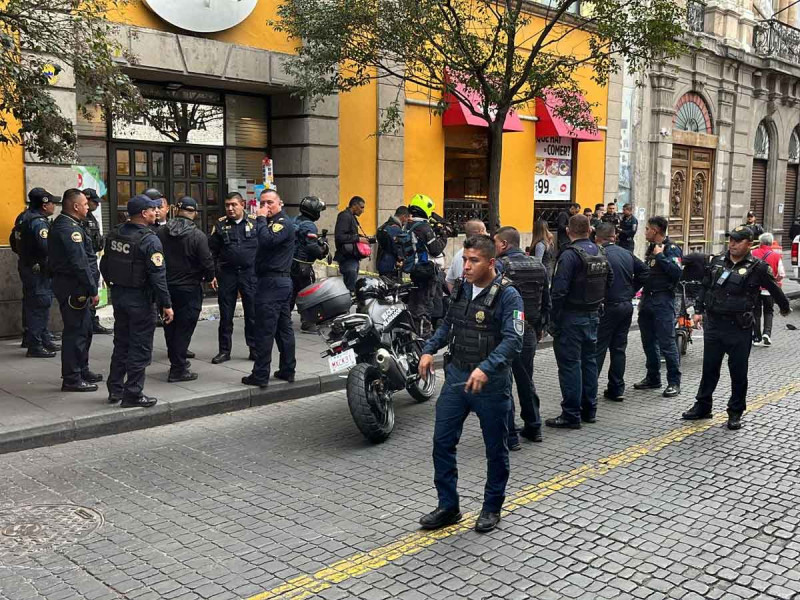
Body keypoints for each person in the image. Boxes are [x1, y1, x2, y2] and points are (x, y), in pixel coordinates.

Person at [417, 235, 524, 533]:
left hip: (491, 384)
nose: (466, 266)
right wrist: (428, 350)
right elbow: (447, 325)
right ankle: (448, 506)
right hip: (457, 377)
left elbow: (513, 341)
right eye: (464, 259)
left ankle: (492, 507)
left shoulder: (508, 295)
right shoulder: (462, 288)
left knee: (495, 448)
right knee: (442, 441)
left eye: (473, 260)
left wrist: (486, 368)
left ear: (491, 262)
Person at [682, 225, 791, 430]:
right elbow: (705, 286)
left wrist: (784, 307)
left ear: (749, 244)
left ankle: (735, 412)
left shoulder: (758, 267)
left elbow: (774, 289)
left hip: (739, 327)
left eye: (737, 240)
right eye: (730, 239)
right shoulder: (716, 262)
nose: (732, 244)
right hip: (714, 325)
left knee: (738, 372)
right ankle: (703, 406)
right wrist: (697, 310)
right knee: (709, 369)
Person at [100, 194, 173, 408]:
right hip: (140, 300)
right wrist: (166, 305)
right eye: (153, 210)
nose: (156, 212)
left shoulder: (115, 234)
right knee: (139, 347)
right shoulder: (149, 239)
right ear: (143, 213)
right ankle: (133, 394)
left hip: (120, 297)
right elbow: (158, 276)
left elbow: (105, 265)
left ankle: (115, 389)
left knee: (121, 344)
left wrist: (113, 285)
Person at [546, 214, 612, 429]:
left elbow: (558, 292)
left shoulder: (569, 255)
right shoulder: (600, 252)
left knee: (570, 365)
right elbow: (609, 280)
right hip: (593, 315)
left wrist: (553, 320)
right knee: (589, 362)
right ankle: (589, 409)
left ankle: (571, 414)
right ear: (590, 230)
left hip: (571, 318)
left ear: (568, 231)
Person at [494, 226, 550, 447]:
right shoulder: (538, 265)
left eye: (496, 242)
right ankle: (534, 426)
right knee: (526, 380)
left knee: (504, 383)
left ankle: (510, 436)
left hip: (505, 332)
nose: (494, 246)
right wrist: (541, 327)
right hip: (528, 330)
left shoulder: (500, 265)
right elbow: (546, 299)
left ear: (504, 244)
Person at [48, 189, 102, 392]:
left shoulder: (72, 225)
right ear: (76, 206)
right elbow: (80, 263)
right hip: (74, 287)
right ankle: (72, 378)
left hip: (77, 286)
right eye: (85, 204)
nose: (88, 207)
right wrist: (92, 289)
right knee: (76, 332)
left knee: (85, 329)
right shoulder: (69, 229)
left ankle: (82, 369)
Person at [242, 190, 296, 388]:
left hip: (273, 284)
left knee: (265, 330)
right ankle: (287, 370)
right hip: (275, 283)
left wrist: (261, 219)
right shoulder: (272, 223)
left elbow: (266, 240)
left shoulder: (282, 223)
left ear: (280, 203)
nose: (266, 207)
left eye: (270, 203)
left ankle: (260, 374)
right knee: (283, 329)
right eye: (262, 203)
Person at [157, 197, 214, 382]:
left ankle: (177, 361)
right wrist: (210, 277)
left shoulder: (161, 232)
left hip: (165, 288)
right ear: (195, 213)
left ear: (176, 210)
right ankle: (178, 368)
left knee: (170, 326)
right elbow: (207, 261)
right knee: (184, 328)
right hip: (189, 289)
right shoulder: (198, 236)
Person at [593, 223, 649, 402]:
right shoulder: (626, 253)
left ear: (597, 238)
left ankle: (589, 389)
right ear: (614, 237)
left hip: (606, 306)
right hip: (625, 306)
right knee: (618, 348)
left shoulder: (598, 254)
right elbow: (645, 272)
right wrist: (631, 290)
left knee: (598, 349)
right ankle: (616, 388)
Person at [634, 216, 683, 397]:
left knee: (667, 343)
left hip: (663, 301)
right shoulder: (651, 249)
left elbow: (677, 272)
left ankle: (674, 382)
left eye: (647, 229)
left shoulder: (671, 249)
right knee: (648, 341)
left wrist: (660, 256)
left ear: (655, 230)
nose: (645, 232)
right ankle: (653, 377)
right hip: (648, 300)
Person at [208, 192, 259, 364]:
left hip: (250, 274)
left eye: (234, 205)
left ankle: (254, 348)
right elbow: (212, 252)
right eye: (227, 205)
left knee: (252, 313)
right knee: (226, 314)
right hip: (228, 274)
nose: (230, 208)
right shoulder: (221, 225)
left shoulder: (255, 222)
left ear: (242, 204)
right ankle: (224, 351)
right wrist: (212, 274)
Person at [11, 188, 61, 358]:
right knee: (39, 304)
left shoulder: (23, 217)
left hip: (27, 265)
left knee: (32, 302)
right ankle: (35, 344)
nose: (54, 206)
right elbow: (47, 247)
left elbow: (13, 242)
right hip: (38, 269)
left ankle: (40, 337)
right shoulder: (39, 222)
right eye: (52, 203)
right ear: (44, 204)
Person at [405, 194, 449, 326]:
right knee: (426, 303)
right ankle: (424, 332)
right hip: (427, 270)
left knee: (415, 300)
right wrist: (444, 236)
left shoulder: (409, 225)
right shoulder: (424, 228)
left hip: (414, 268)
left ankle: (414, 325)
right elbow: (435, 249)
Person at [291, 196, 330, 332]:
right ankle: (308, 323)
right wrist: (323, 249)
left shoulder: (295, 220)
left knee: (291, 294)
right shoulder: (309, 225)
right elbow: (312, 247)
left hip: (291, 264)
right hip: (303, 266)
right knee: (308, 294)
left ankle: (282, 320)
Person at [81, 188, 112, 335]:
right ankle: (88, 323)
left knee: (92, 293)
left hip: (93, 258)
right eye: (94, 202)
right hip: (86, 260)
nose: (97, 205)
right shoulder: (81, 219)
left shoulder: (90, 217)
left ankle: (92, 322)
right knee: (88, 293)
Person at [751, 232, 784, 347]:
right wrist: (775, 281)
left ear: (760, 242)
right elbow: (781, 273)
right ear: (771, 243)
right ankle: (767, 334)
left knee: (756, 312)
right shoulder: (776, 256)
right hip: (769, 289)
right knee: (769, 311)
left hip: (755, 289)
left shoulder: (753, 253)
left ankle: (757, 337)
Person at [334, 196, 370, 291]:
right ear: (354, 205)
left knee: (352, 287)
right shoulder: (345, 216)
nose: (363, 210)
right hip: (347, 258)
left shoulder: (351, 216)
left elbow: (349, 234)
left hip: (352, 257)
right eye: (361, 207)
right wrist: (358, 238)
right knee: (350, 289)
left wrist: (362, 237)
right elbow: (340, 236)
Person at [445, 219, 487, 292]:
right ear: (481, 231)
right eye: (485, 231)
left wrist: (457, 299)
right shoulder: (485, 255)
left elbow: (449, 281)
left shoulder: (457, 255)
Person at [376, 206, 410, 279]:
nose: (407, 221)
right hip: (391, 266)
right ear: (403, 217)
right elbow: (398, 249)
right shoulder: (395, 229)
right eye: (407, 218)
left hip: (382, 263)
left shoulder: (385, 226)